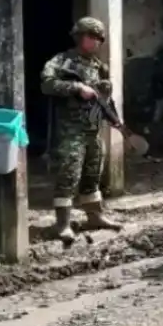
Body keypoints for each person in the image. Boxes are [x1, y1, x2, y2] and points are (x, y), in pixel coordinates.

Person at [40, 17, 123, 244]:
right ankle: (63, 224)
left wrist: (115, 120)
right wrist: (76, 87)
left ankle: (94, 216)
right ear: (81, 37)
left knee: (93, 173)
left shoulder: (99, 67)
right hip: (71, 130)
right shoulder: (62, 61)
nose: (97, 42)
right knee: (69, 173)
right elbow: (46, 84)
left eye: (100, 39)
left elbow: (105, 99)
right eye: (93, 37)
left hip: (93, 129)